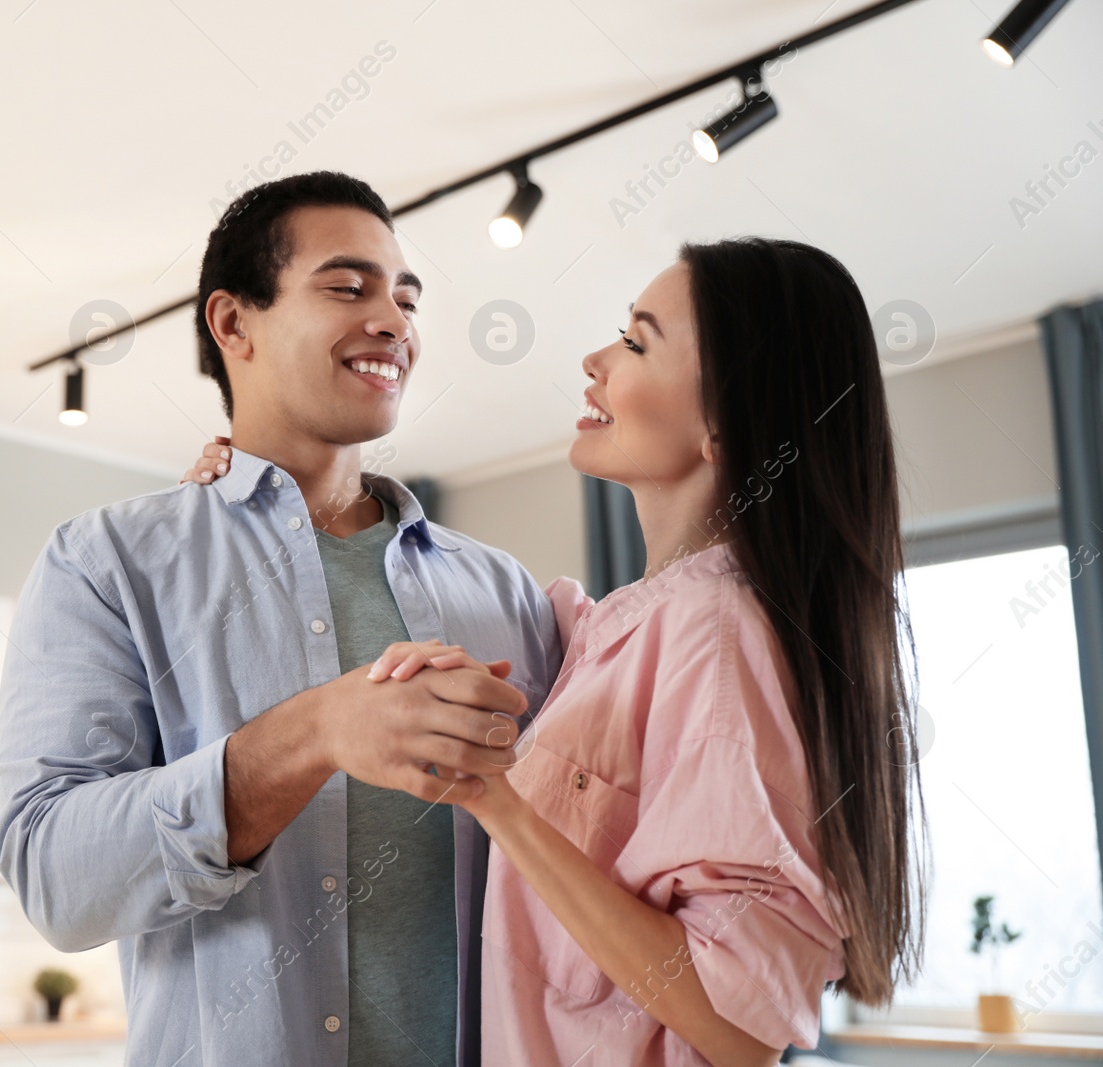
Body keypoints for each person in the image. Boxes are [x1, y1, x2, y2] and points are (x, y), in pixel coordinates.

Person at [186, 237, 929, 1065]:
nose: (596, 359)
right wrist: (250, 488)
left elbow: (738, 1027)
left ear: (726, 422)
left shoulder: (717, 635)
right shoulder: (610, 628)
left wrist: (501, 802)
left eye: (638, 342)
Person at [0, 171, 565, 1067]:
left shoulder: (506, 593)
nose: (394, 322)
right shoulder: (106, 564)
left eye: (405, 299)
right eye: (348, 287)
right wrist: (314, 733)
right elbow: (56, 878)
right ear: (233, 323)